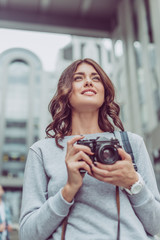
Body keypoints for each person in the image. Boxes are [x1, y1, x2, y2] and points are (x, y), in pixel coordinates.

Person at [19, 58, 160, 240]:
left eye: (96, 78)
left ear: (104, 91)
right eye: (78, 78)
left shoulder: (131, 143)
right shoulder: (42, 151)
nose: (88, 82)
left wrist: (133, 183)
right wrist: (68, 190)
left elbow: (156, 224)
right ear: (65, 93)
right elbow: (27, 234)